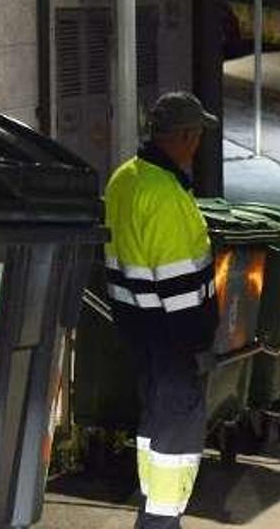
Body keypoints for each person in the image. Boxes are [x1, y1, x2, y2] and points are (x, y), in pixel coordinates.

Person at [103, 92, 220, 528]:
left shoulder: (123, 179)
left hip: (136, 325)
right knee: (177, 435)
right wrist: (197, 340)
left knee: (154, 428)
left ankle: (152, 517)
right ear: (186, 136)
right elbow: (179, 284)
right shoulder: (165, 195)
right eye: (198, 135)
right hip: (174, 336)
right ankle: (160, 523)